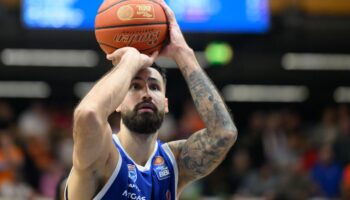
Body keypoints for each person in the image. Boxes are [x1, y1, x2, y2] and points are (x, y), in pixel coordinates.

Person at [64, 1, 237, 199]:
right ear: (117, 102)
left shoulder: (175, 162)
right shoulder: (103, 156)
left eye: (154, 87)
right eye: (135, 86)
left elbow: (224, 133)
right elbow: (88, 114)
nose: (146, 93)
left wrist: (183, 53)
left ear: (165, 104)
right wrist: (129, 61)